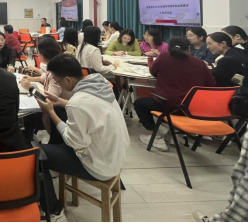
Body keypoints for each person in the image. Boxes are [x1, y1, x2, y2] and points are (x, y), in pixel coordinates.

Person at [37, 54, 130, 222]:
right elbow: (90, 109)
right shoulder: (100, 85)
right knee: (62, 119)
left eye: (57, 82)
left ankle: (54, 211)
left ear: (67, 80)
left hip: (98, 167)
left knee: (36, 155)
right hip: (115, 156)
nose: (57, 85)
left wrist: (50, 112)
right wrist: (59, 101)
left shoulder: (78, 101)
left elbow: (74, 142)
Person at [134, 37, 216, 152]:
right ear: (189, 48)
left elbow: (153, 72)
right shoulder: (199, 63)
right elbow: (211, 84)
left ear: (169, 48)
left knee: (139, 104)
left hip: (167, 104)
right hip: (192, 108)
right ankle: (173, 132)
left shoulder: (164, 57)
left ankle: (155, 135)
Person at [21, 37, 69, 144]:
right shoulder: (54, 65)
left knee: (27, 118)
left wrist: (30, 88)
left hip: (56, 114)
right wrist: (31, 79)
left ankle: (29, 145)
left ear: (43, 54)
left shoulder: (55, 72)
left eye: (38, 51)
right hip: (57, 110)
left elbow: (48, 98)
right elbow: (44, 77)